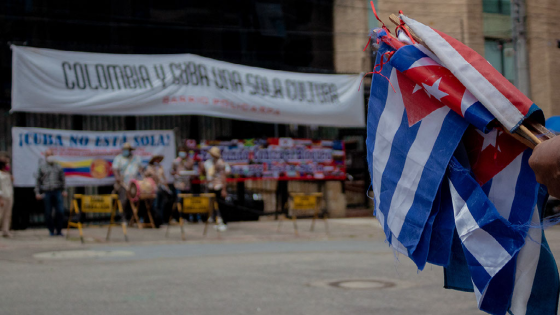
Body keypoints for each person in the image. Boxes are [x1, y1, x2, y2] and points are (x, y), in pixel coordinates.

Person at [35, 149, 67, 236]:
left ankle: (59, 230)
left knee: (60, 211)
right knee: (48, 212)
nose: (49, 157)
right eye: (48, 155)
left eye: (51, 155)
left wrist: (64, 190)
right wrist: (37, 192)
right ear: (45, 157)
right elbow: (38, 181)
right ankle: (51, 230)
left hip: (57, 191)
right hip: (47, 192)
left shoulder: (58, 167)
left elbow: (63, 180)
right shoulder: (42, 167)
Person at [112, 142, 143, 221]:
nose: (126, 151)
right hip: (123, 183)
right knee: (123, 200)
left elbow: (141, 169)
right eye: (125, 149)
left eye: (127, 150)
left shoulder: (136, 158)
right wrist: (118, 178)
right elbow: (115, 169)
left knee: (136, 200)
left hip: (135, 183)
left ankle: (134, 217)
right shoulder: (118, 158)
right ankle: (123, 217)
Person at [203, 146, 230, 231]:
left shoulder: (221, 163)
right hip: (211, 186)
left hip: (219, 186)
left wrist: (224, 189)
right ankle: (216, 221)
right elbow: (206, 174)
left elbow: (223, 176)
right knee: (213, 205)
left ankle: (224, 222)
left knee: (221, 205)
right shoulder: (208, 163)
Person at [171, 147, 198, 222]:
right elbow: (172, 171)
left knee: (187, 201)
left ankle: (187, 217)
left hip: (186, 184)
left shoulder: (189, 161)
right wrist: (176, 173)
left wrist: (187, 162)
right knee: (178, 201)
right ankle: (178, 217)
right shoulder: (176, 161)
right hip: (178, 184)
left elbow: (192, 171)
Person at [144, 155, 170, 227]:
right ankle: (155, 221)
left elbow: (163, 177)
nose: (157, 161)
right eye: (156, 159)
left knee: (163, 204)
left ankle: (161, 220)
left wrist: (166, 185)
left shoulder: (160, 167)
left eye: (158, 160)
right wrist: (153, 173)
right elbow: (146, 176)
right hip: (152, 188)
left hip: (160, 188)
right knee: (155, 205)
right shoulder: (149, 168)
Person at [0, 157, 13, 237]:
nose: (8, 165)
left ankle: (5, 230)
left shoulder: (7, 174)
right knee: (1, 215)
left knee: (7, 214)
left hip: (9, 196)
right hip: (2, 197)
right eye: (6, 163)